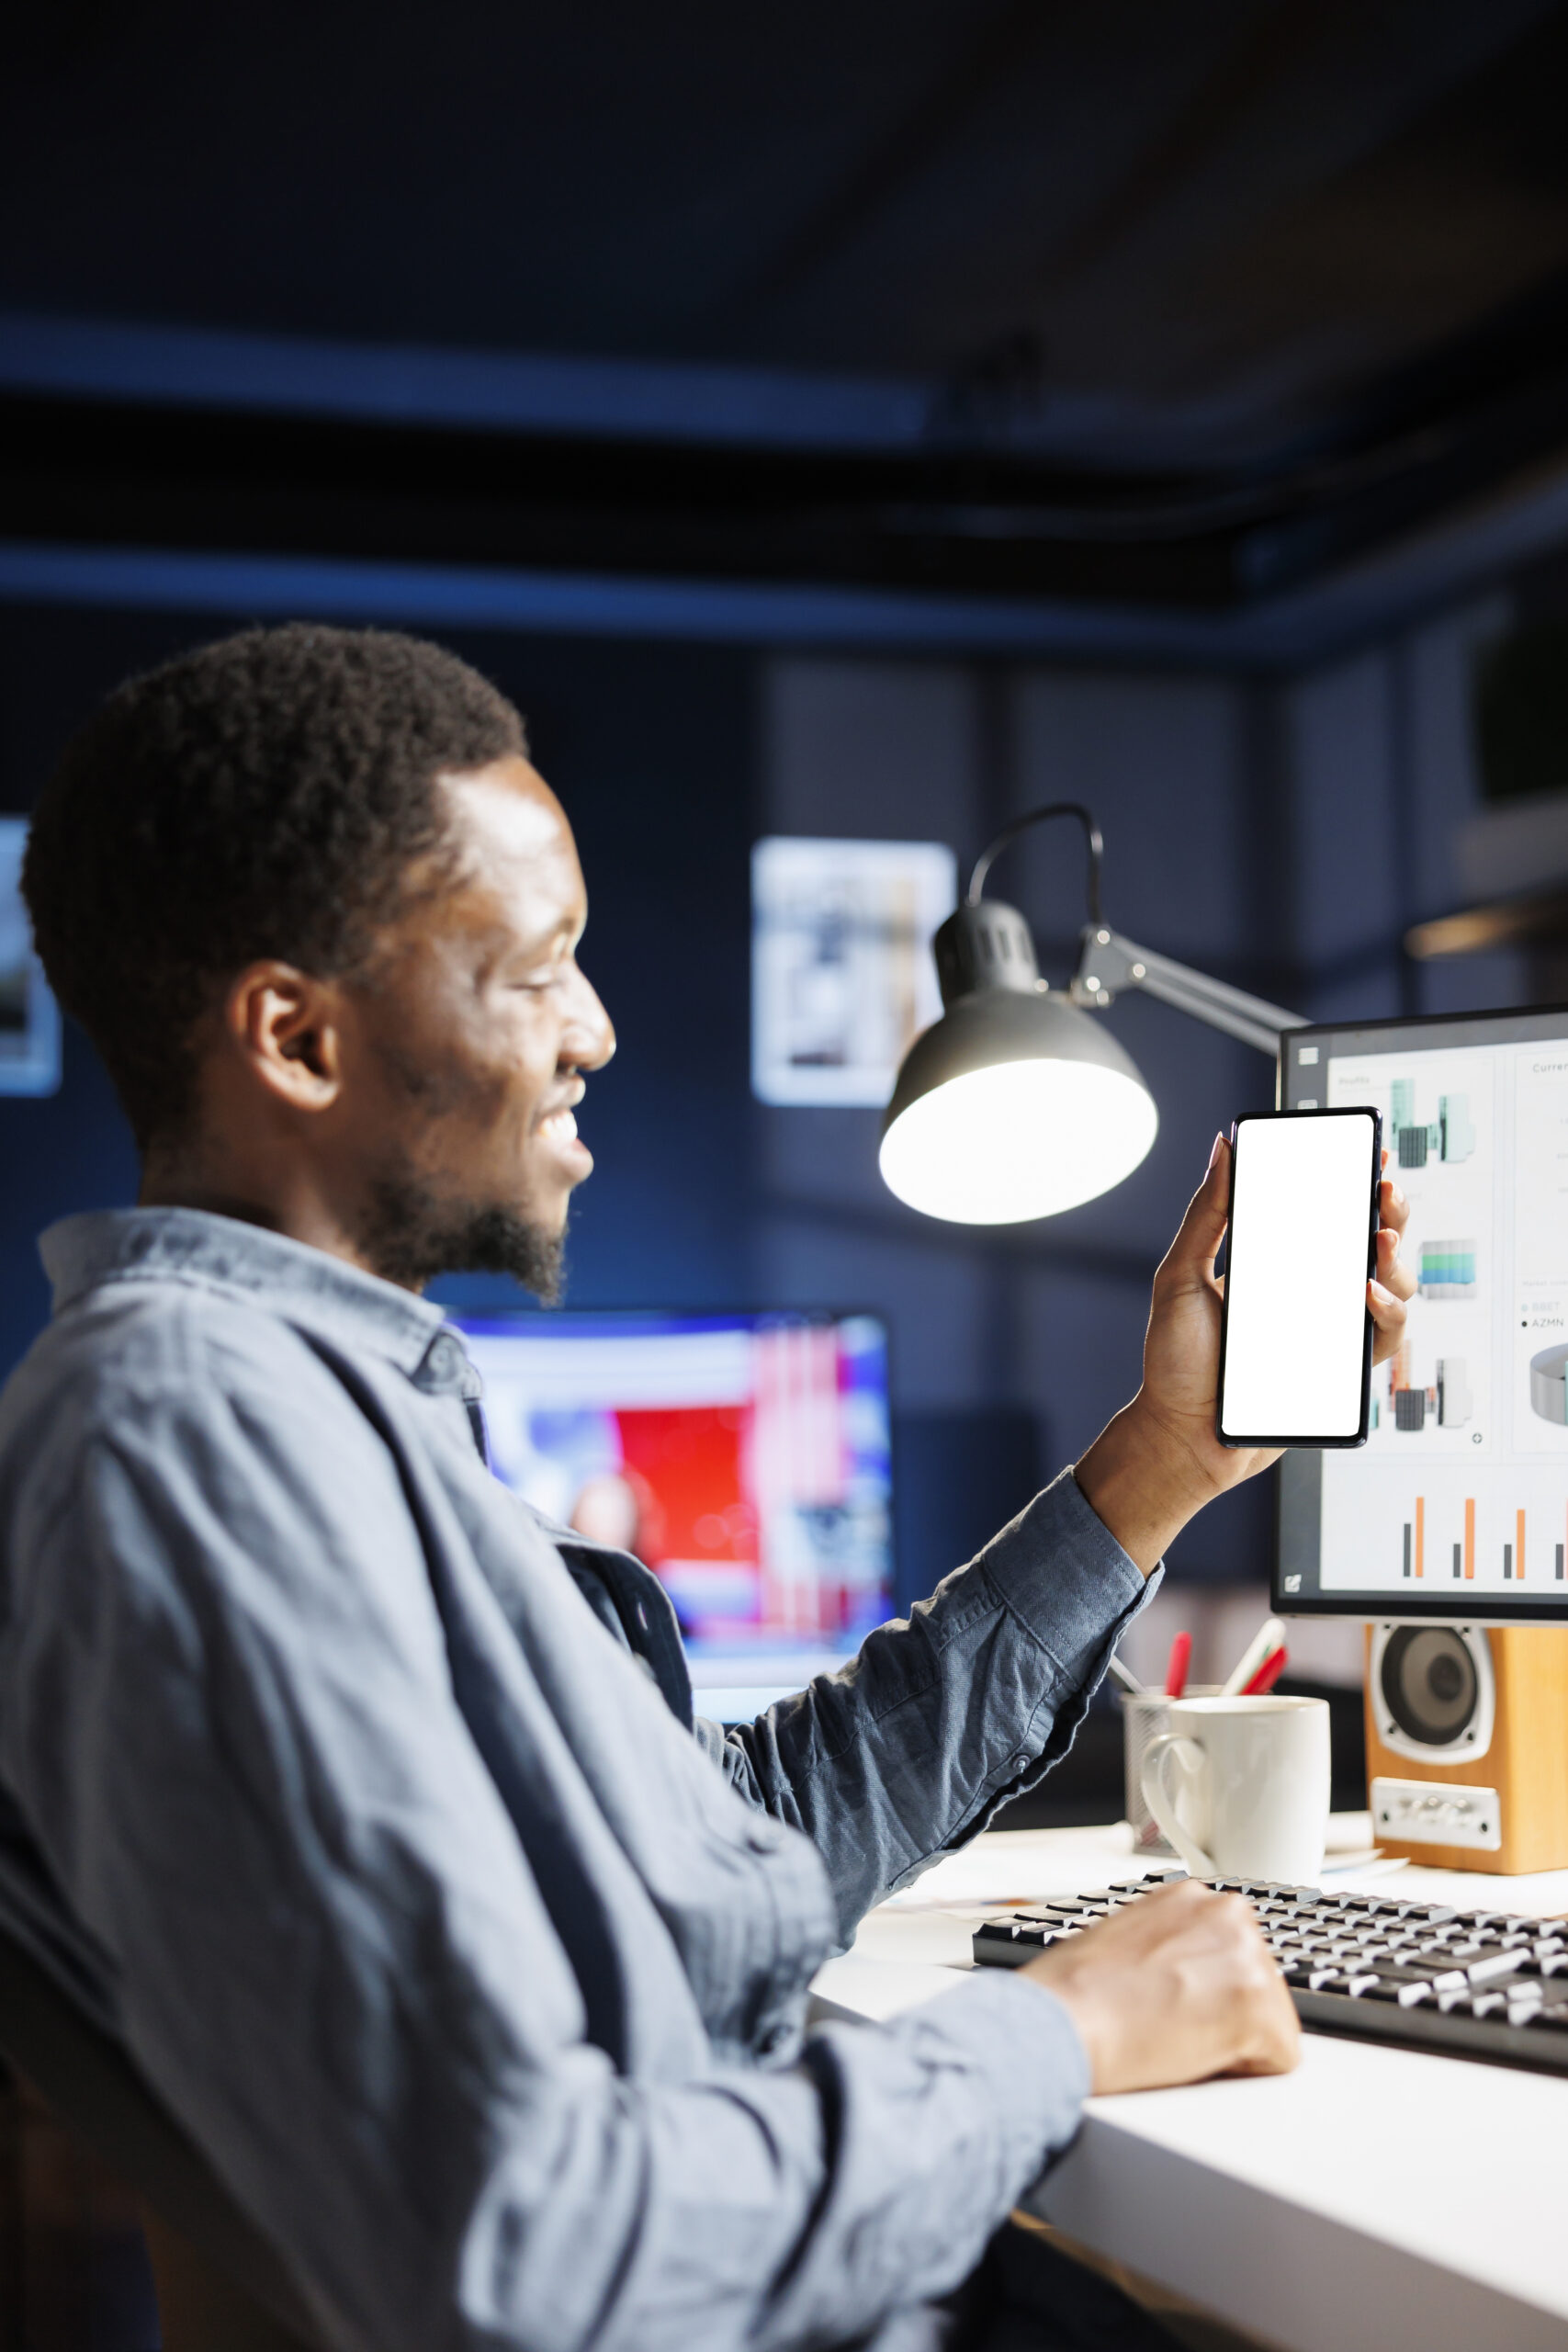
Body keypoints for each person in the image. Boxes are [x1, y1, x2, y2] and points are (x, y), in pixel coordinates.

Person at [0, 626, 1414, 2352]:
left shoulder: (328, 1414)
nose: (597, 1027)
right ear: (297, 1038)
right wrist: (1059, 2038)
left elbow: (725, 1856)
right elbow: (520, 2246)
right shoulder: (191, 1442)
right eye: (537, 971)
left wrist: (1160, 1463)